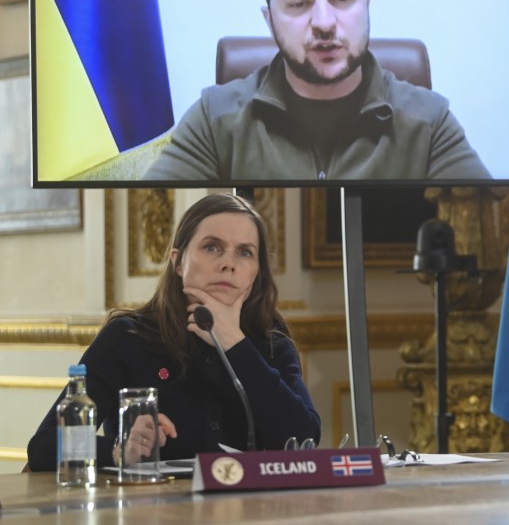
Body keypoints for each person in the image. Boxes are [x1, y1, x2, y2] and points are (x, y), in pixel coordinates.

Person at [144, 0, 491, 182]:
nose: (324, 22)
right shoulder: (214, 119)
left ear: (366, 7)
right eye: (299, 3)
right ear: (269, 21)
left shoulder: (429, 122)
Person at [27, 193, 320, 470]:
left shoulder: (271, 343)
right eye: (212, 247)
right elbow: (44, 446)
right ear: (178, 262)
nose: (228, 263)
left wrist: (235, 344)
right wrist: (120, 449)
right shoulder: (127, 338)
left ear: (257, 272)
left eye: (245, 252)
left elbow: (303, 438)